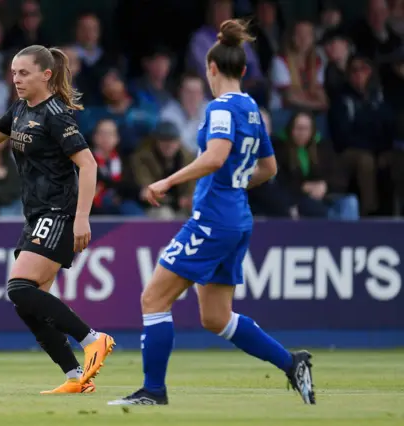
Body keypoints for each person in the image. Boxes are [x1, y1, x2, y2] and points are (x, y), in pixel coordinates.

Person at [108, 20, 315, 406]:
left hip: (213, 220)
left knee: (153, 299)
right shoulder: (253, 109)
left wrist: (167, 182)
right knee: (216, 318)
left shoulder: (220, 108)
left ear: (212, 69)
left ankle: (153, 390)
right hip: (237, 221)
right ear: (244, 70)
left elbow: (216, 156)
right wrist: (237, 183)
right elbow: (269, 169)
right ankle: (292, 363)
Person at [0, 45, 115, 394]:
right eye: (13, 72)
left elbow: (88, 164)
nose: (16, 79)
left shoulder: (56, 114)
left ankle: (92, 339)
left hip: (59, 212)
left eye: (23, 73)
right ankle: (74, 378)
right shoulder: (22, 108)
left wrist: (82, 218)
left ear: (46, 75)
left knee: (20, 288)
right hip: (37, 214)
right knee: (27, 303)